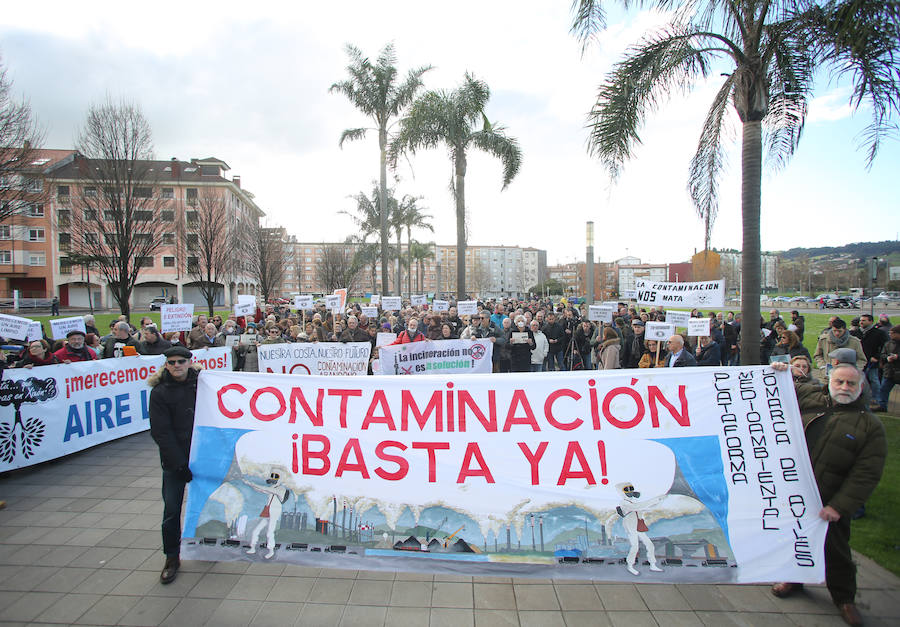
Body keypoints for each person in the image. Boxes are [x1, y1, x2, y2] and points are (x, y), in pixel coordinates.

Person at [770, 361, 886, 627]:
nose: (844, 388)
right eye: (839, 382)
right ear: (829, 381)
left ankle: (844, 598)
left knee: (836, 551)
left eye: (851, 384)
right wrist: (777, 369)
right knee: (794, 538)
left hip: (829, 499)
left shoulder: (869, 426)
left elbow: (866, 473)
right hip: (794, 490)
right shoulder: (812, 397)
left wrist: (840, 505)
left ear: (861, 387)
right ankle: (794, 578)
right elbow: (777, 387)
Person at [148, 346, 200, 585]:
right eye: (172, 362)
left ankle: (208, 545)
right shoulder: (159, 392)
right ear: (166, 365)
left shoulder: (203, 385)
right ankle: (171, 557)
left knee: (208, 503)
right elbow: (161, 432)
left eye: (181, 361)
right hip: (175, 461)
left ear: (190, 362)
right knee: (171, 510)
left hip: (202, 455)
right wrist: (179, 464)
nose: (177, 365)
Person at [856, 314, 887, 411]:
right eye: (861, 320)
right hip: (859, 360)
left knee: (874, 379)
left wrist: (877, 357)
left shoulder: (878, 333)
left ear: (870, 321)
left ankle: (876, 398)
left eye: (864, 320)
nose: (861, 322)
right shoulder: (856, 333)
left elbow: (884, 347)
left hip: (872, 361)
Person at [877, 325, 900, 412]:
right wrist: (886, 358)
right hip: (889, 371)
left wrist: (897, 357)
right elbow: (882, 354)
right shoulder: (888, 343)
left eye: (892, 333)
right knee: (883, 389)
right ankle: (882, 406)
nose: (890, 335)